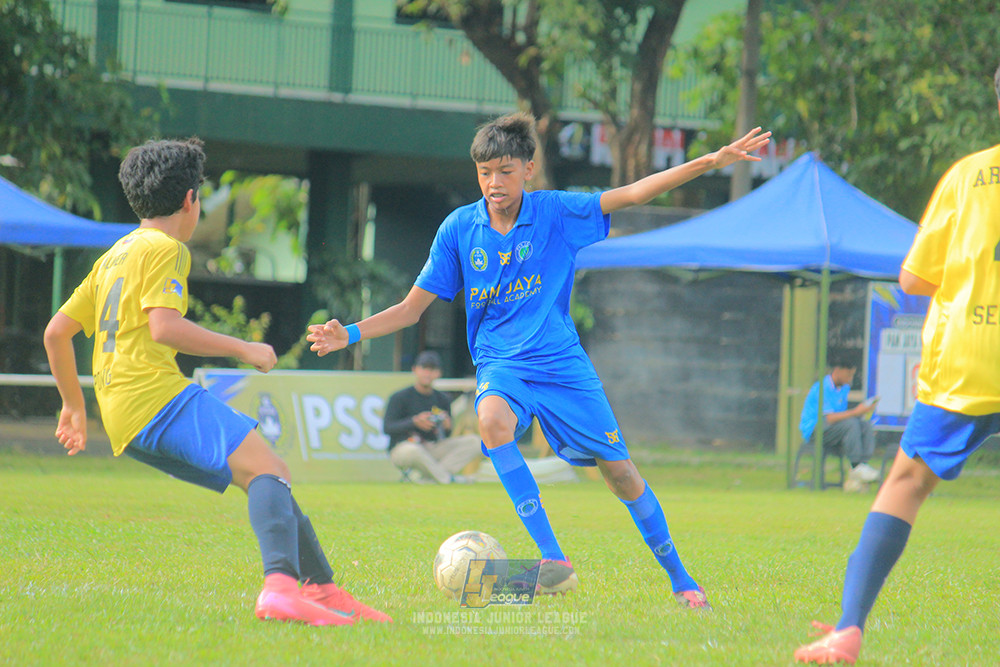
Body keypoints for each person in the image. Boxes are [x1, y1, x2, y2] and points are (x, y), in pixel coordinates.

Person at [308, 112, 770, 607]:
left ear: (529, 169)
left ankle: (681, 578)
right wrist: (349, 332)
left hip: (562, 365)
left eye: (505, 171)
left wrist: (712, 161)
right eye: (484, 172)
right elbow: (409, 308)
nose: (494, 183)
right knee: (490, 421)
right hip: (501, 364)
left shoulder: (554, 213)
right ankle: (553, 557)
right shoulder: (459, 229)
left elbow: (634, 193)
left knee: (622, 474)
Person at [43, 137, 390, 627]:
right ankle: (280, 589)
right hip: (153, 396)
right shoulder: (166, 249)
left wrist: (73, 406)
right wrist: (243, 347)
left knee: (264, 475)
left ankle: (325, 590)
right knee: (271, 470)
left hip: (120, 414)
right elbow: (163, 326)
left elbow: (56, 332)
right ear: (190, 200)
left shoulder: (115, 255)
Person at [794, 62, 1000, 664]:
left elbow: (914, 277)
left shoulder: (969, 176)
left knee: (907, 482)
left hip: (969, 359)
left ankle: (848, 629)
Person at [384, 350, 482, 484]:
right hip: (404, 447)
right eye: (424, 368)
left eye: (432, 369)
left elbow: (445, 436)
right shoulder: (400, 397)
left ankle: (430, 479)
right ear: (415, 370)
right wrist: (414, 422)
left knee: (476, 442)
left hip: (432, 447)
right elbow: (387, 427)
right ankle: (447, 479)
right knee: (412, 450)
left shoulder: (443, 399)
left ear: (438, 373)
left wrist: (447, 426)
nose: (427, 373)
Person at [798, 357, 880, 485]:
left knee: (865, 426)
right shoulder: (822, 387)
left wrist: (863, 413)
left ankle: (862, 467)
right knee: (851, 424)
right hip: (815, 430)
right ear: (838, 370)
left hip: (834, 429)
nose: (850, 379)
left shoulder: (844, 388)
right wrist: (855, 412)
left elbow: (842, 416)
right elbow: (829, 418)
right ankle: (855, 466)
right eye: (848, 375)